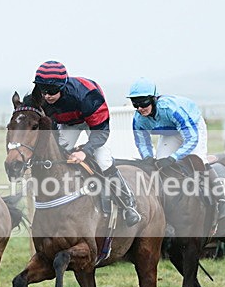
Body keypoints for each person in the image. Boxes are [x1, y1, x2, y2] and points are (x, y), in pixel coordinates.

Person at [31, 60, 141, 226]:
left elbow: (101, 131)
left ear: (62, 86)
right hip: (68, 122)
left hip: (94, 123)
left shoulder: (88, 96)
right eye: (43, 89)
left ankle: (128, 203)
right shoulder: (40, 97)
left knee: (103, 160)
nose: (47, 95)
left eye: (52, 91)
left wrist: (85, 151)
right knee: (56, 154)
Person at [127, 77, 208, 167]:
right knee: (160, 163)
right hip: (171, 133)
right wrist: (147, 158)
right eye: (135, 104)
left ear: (154, 99)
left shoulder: (171, 109)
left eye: (143, 103)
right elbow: (142, 143)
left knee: (198, 163)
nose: (140, 108)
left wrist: (173, 158)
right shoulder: (138, 119)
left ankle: (216, 180)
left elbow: (192, 138)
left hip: (193, 128)